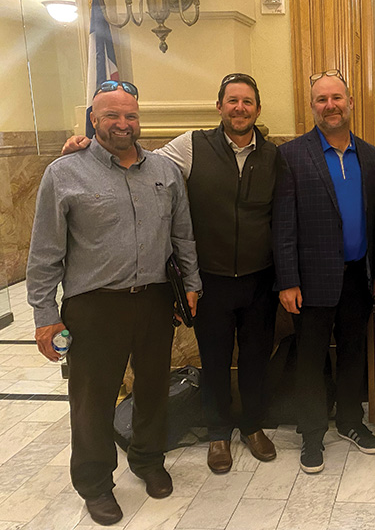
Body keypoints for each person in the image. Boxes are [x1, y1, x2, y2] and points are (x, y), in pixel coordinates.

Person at [63, 73, 280, 474]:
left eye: (247, 102)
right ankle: (218, 433)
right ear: (219, 107)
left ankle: (252, 427)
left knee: (254, 360)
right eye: (232, 100)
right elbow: (137, 162)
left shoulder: (273, 155)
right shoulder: (191, 146)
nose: (239, 108)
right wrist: (87, 146)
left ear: (257, 109)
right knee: (213, 361)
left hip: (260, 280)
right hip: (211, 280)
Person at [28, 80, 201, 525]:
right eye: (111, 116)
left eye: (130, 116)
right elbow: (45, 252)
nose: (123, 124)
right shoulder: (64, 173)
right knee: (92, 399)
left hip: (155, 299)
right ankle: (95, 482)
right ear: (93, 119)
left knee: (152, 389)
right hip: (94, 306)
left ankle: (147, 460)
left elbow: (182, 234)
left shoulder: (163, 170)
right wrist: (45, 316)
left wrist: (193, 284)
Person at [273, 69, 375, 474]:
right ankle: (312, 435)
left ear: (351, 103)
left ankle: (351, 422)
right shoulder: (292, 155)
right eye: (322, 99)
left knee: (354, 353)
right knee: (311, 359)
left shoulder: (369, 154)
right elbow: (283, 224)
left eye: (337, 98)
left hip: (359, 276)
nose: (330, 105)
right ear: (313, 106)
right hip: (310, 280)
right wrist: (287, 280)